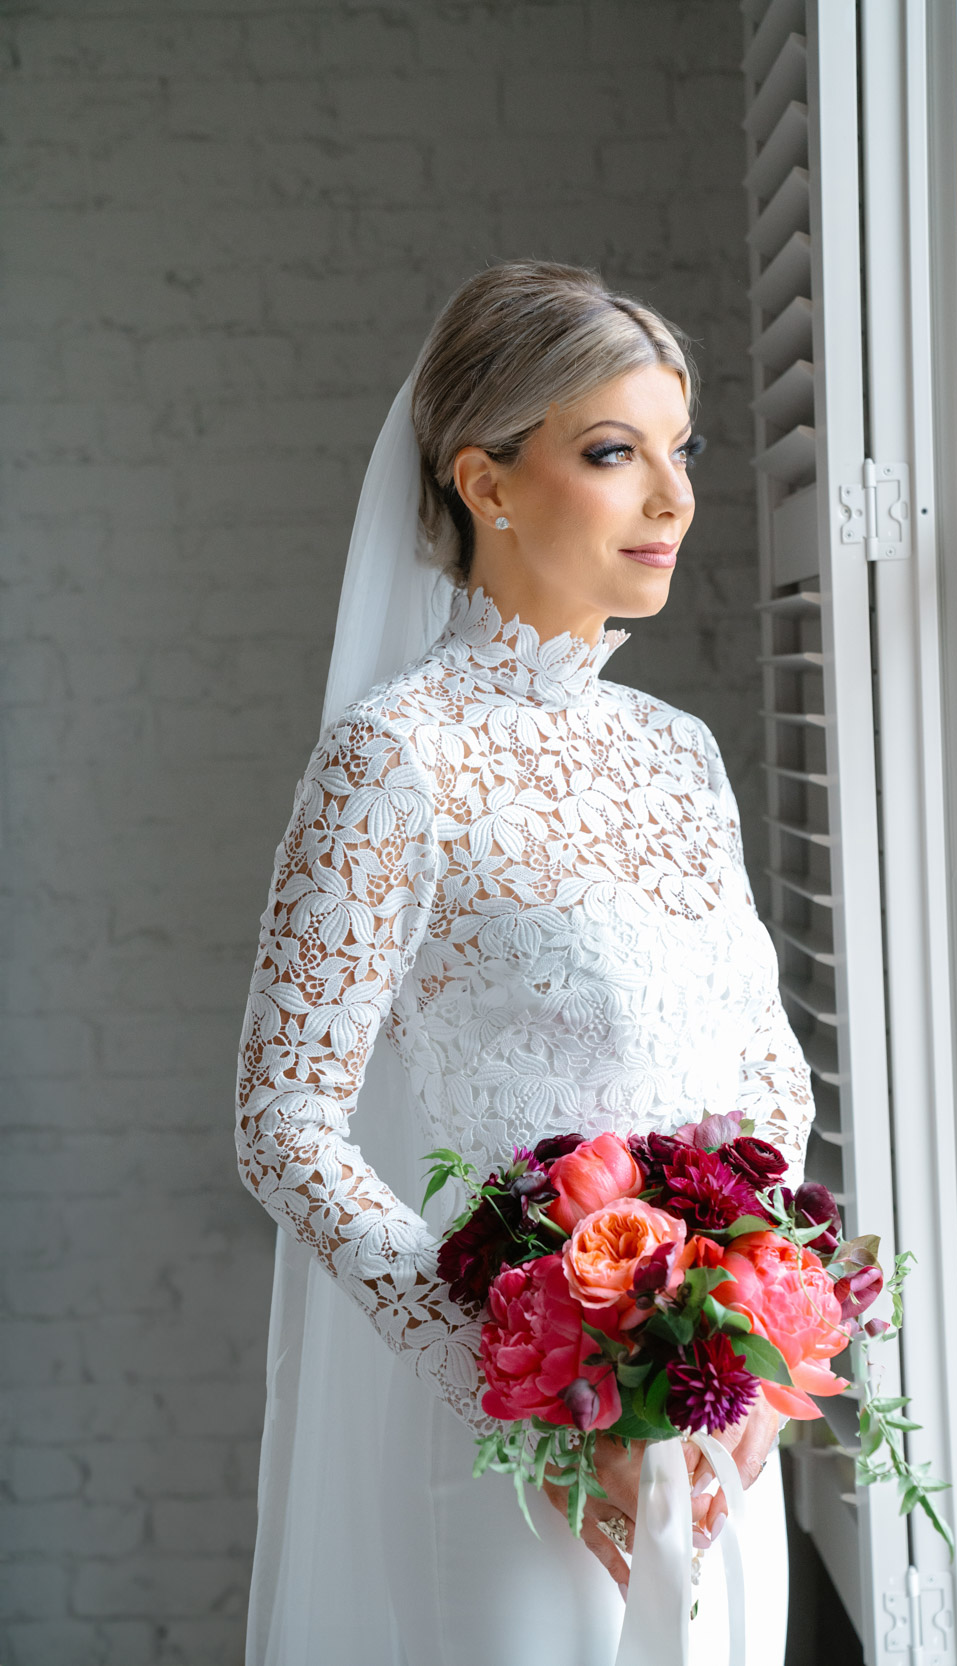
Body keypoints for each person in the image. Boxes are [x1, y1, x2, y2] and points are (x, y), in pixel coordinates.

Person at [235, 260, 815, 1666]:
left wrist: (734, 1339)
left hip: (713, 1434)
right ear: (485, 481)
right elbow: (283, 1122)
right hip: (516, 1448)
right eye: (616, 454)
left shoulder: (680, 755)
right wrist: (526, 1385)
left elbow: (765, 1068)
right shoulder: (398, 755)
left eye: (678, 453)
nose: (674, 501)